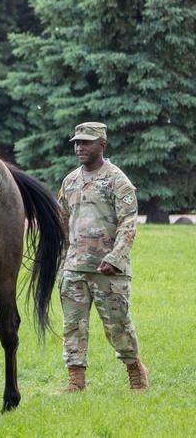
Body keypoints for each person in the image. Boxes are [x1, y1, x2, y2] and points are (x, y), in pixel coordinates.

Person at [57, 122, 148, 393]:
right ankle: (76, 381)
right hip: (74, 268)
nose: (79, 147)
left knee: (118, 326)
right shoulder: (70, 181)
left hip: (108, 269)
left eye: (86, 142)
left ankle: (136, 372)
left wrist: (116, 258)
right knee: (73, 327)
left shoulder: (117, 180)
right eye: (77, 142)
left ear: (102, 146)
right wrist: (61, 264)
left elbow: (128, 223)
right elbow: (62, 224)